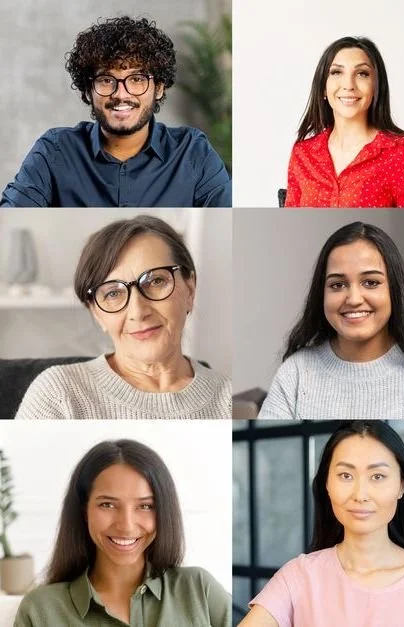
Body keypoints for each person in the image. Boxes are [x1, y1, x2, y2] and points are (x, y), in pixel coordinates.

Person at [239, 421, 404, 627]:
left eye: (377, 476)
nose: (360, 494)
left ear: (401, 486)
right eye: (346, 475)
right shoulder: (298, 575)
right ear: (327, 483)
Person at [15, 215, 231, 419]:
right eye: (113, 293)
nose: (138, 312)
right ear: (96, 313)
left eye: (155, 281)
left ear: (190, 289)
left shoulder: (227, 399)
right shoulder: (57, 395)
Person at [1, 16, 231, 208]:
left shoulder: (192, 152)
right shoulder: (55, 151)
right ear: (89, 90)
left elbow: (232, 232)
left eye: (137, 79)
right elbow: (10, 223)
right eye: (106, 80)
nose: (121, 94)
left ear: (159, 88)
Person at [258, 221, 404, 419]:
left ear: (395, 289)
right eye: (338, 285)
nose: (354, 299)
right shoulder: (295, 372)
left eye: (370, 282)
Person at [14, 439, 231, 626]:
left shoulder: (198, 589)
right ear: (84, 510)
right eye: (107, 505)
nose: (126, 525)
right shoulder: (40, 610)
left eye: (145, 506)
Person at [286, 36, 404, 208]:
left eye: (362, 74)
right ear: (323, 87)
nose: (349, 85)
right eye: (336, 72)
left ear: (376, 86)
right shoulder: (303, 154)